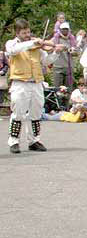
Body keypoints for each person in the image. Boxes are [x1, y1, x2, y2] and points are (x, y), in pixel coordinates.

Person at [6, 19, 63, 153]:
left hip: (36, 82)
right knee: (18, 113)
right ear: (17, 32)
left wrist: (56, 52)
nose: (27, 34)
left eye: (28, 32)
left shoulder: (37, 47)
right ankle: (14, 141)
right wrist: (31, 42)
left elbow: (46, 61)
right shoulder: (12, 43)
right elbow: (13, 51)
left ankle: (34, 140)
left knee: (36, 113)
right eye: (24, 32)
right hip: (20, 82)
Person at [51, 22, 78, 88]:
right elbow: (49, 49)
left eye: (66, 29)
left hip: (69, 67)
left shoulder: (72, 39)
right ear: (60, 29)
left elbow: (76, 53)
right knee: (57, 88)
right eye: (63, 29)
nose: (65, 30)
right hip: (57, 66)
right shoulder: (55, 38)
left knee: (68, 88)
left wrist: (72, 51)